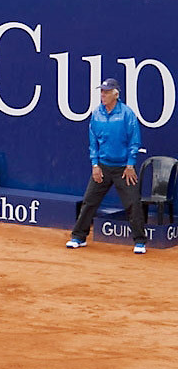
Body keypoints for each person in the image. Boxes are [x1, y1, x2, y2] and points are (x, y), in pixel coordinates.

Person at [66, 78, 146, 254]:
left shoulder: (127, 114)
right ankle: (78, 237)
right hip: (102, 166)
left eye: (106, 92)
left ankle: (140, 241)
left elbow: (134, 141)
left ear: (115, 94)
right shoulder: (96, 114)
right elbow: (93, 142)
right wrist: (95, 165)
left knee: (133, 203)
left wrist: (130, 164)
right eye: (101, 91)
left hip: (124, 169)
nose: (103, 95)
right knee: (89, 202)